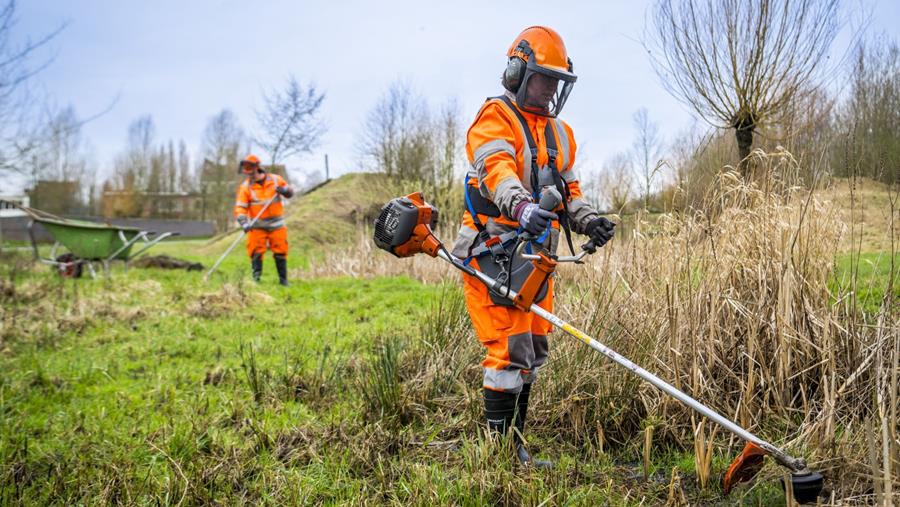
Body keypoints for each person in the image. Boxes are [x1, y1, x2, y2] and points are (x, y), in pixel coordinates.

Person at [450, 26, 615, 467]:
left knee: (532, 350)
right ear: (517, 72)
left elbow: (569, 189)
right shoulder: (495, 118)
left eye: (558, 82)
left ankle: (515, 444)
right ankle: (501, 456)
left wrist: (588, 221)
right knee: (506, 351)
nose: (552, 90)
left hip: (536, 260)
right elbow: (496, 170)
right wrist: (521, 207)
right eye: (545, 78)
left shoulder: (560, 133)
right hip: (493, 255)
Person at [233, 154, 295, 286]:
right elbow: (240, 207)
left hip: (276, 224)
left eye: (249, 168)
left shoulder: (276, 180)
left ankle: (283, 280)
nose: (247, 172)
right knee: (255, 251)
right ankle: (256, 280)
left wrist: (285, 190)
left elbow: (290, 192)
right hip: (257, 224)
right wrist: (244, 222)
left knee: (280, 250)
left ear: (257, 167)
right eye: (245, 168)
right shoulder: (245, 187)